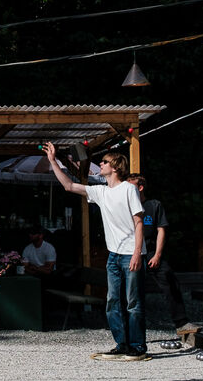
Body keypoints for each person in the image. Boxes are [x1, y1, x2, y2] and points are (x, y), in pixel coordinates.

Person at [45, 145, 146, 361]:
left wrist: (137, 253)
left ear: (115, 167)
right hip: (113, 256)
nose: (101, 164)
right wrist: (53, 161)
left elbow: (139, 223)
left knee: (133, 302)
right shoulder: (101, 192)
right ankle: (121, 344)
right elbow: (69, 186)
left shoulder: (128, 189)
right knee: (112, 302)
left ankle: (137, 346)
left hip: (131, 253)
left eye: (105, 162)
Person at [130, 174, 198, 336]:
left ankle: (182, 323)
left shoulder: (154, 205)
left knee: (169, 280)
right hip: (131, 252)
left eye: (131, 187)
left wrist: (157, 255)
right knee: (131, 290)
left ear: (140, 187)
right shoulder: (126, 206)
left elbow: (161, 230)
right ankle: (131, 328)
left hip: (151, 251)